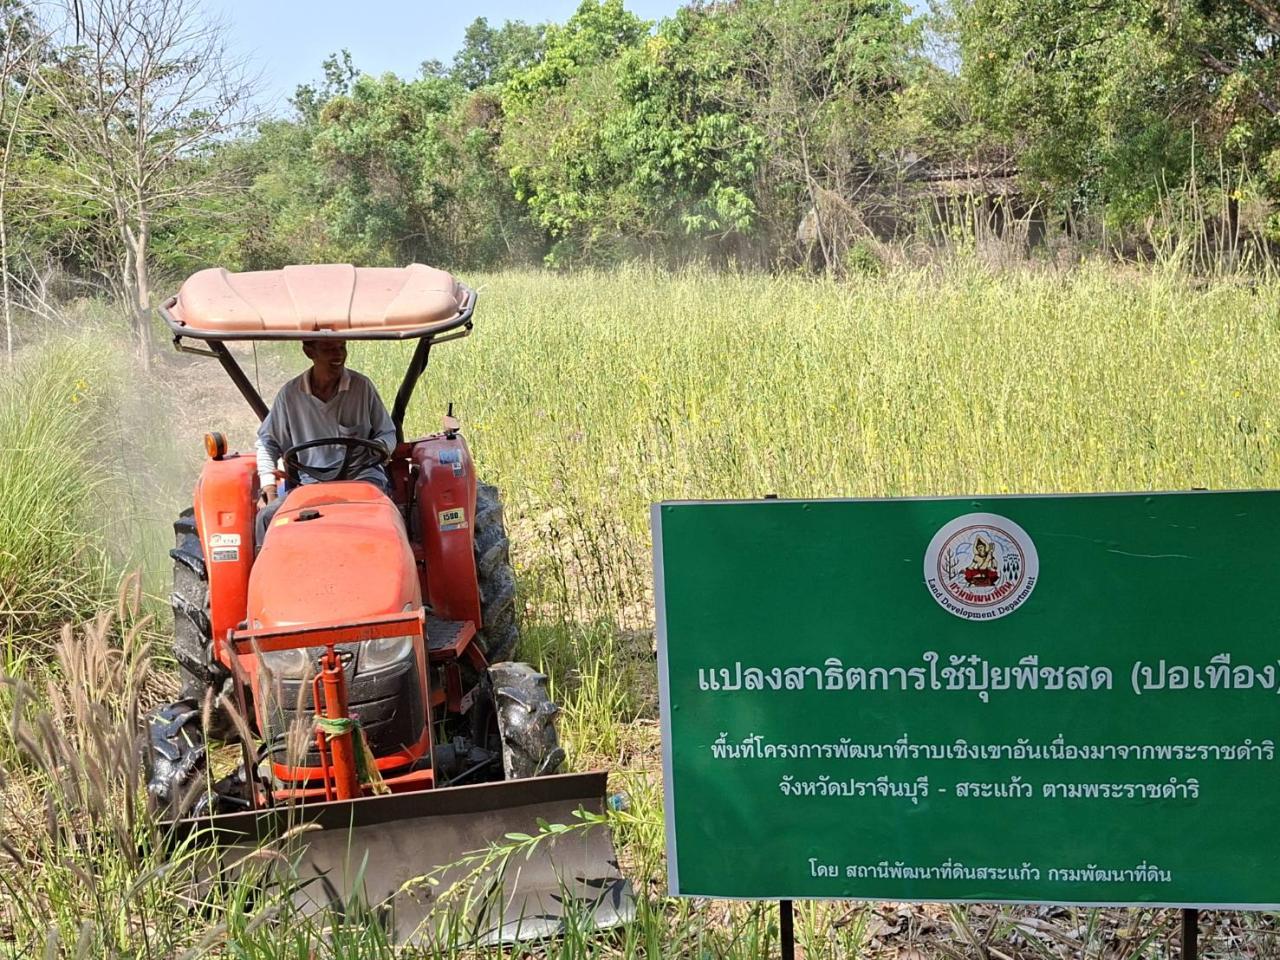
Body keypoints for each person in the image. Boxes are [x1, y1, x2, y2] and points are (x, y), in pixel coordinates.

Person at [254, 339, 396, 543]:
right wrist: (269, 488)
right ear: (308, 351)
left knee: (386, 519)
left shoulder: (361, 387)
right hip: (312, 485)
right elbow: (267, 442)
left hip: (361, 478)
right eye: (329, 348)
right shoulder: (290, 395)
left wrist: (380, 448)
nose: (338, 355)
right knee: (266, 518)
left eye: (342, 347)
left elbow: (387, 432)